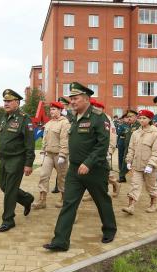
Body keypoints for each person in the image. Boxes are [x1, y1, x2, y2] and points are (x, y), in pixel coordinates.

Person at [43, 82, 117, 252]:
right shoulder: (73, 117)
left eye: (75, 99)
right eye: (71, 99)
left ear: (86, 99)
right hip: (75, 170)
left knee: (102, 200)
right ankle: (60, 241)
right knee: (69, 203)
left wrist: (88, 163)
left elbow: (102, 145)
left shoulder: (99, 117)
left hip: (95, 169)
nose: (72, 102)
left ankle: (109, 229)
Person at [0, 89, 35, 232]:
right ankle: (26, 199)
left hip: (17, 159)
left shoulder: (25, 119)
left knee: (10, 191)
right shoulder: (4, 117)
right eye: (4, 101)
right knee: (4, 187)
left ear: (17, 103)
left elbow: (30, 144)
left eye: (9, 101)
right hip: (4, 159)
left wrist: (28, 163)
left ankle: (8, 220)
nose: (5, 103)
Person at [122, 109, 157, 215]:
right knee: (134, 185)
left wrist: (151, 164)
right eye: (140, 118)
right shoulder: (135, 133)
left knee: (151, 186)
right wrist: (129, 160)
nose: (141, 120)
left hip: (150, 167)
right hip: (137, 165)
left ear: (150, 119)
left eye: (144, 118)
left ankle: (153, 204)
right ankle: (131, 206)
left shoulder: (156, 134)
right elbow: (131, 148)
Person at [33, 101, 70, 209]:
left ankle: (64, 198)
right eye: (51, 109)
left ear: (59, 110)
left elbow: (65, 140)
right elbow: (44, 139)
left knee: (62, 177)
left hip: (59, 155)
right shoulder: (49, 123)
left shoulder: (65, 123)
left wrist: (63, 155)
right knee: (43, 176)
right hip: (48, 155)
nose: (51, 111)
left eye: (54, 109)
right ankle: (42, 200)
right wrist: (42, 152)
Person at [119, 110, 140, 183]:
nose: (129, 118)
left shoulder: (139, 125)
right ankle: (122, 177)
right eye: (128, 117)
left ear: (136, 117)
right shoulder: (128, 125)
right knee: (126, 161)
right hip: (128, 147)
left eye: (131, 116)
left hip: (137, 148)